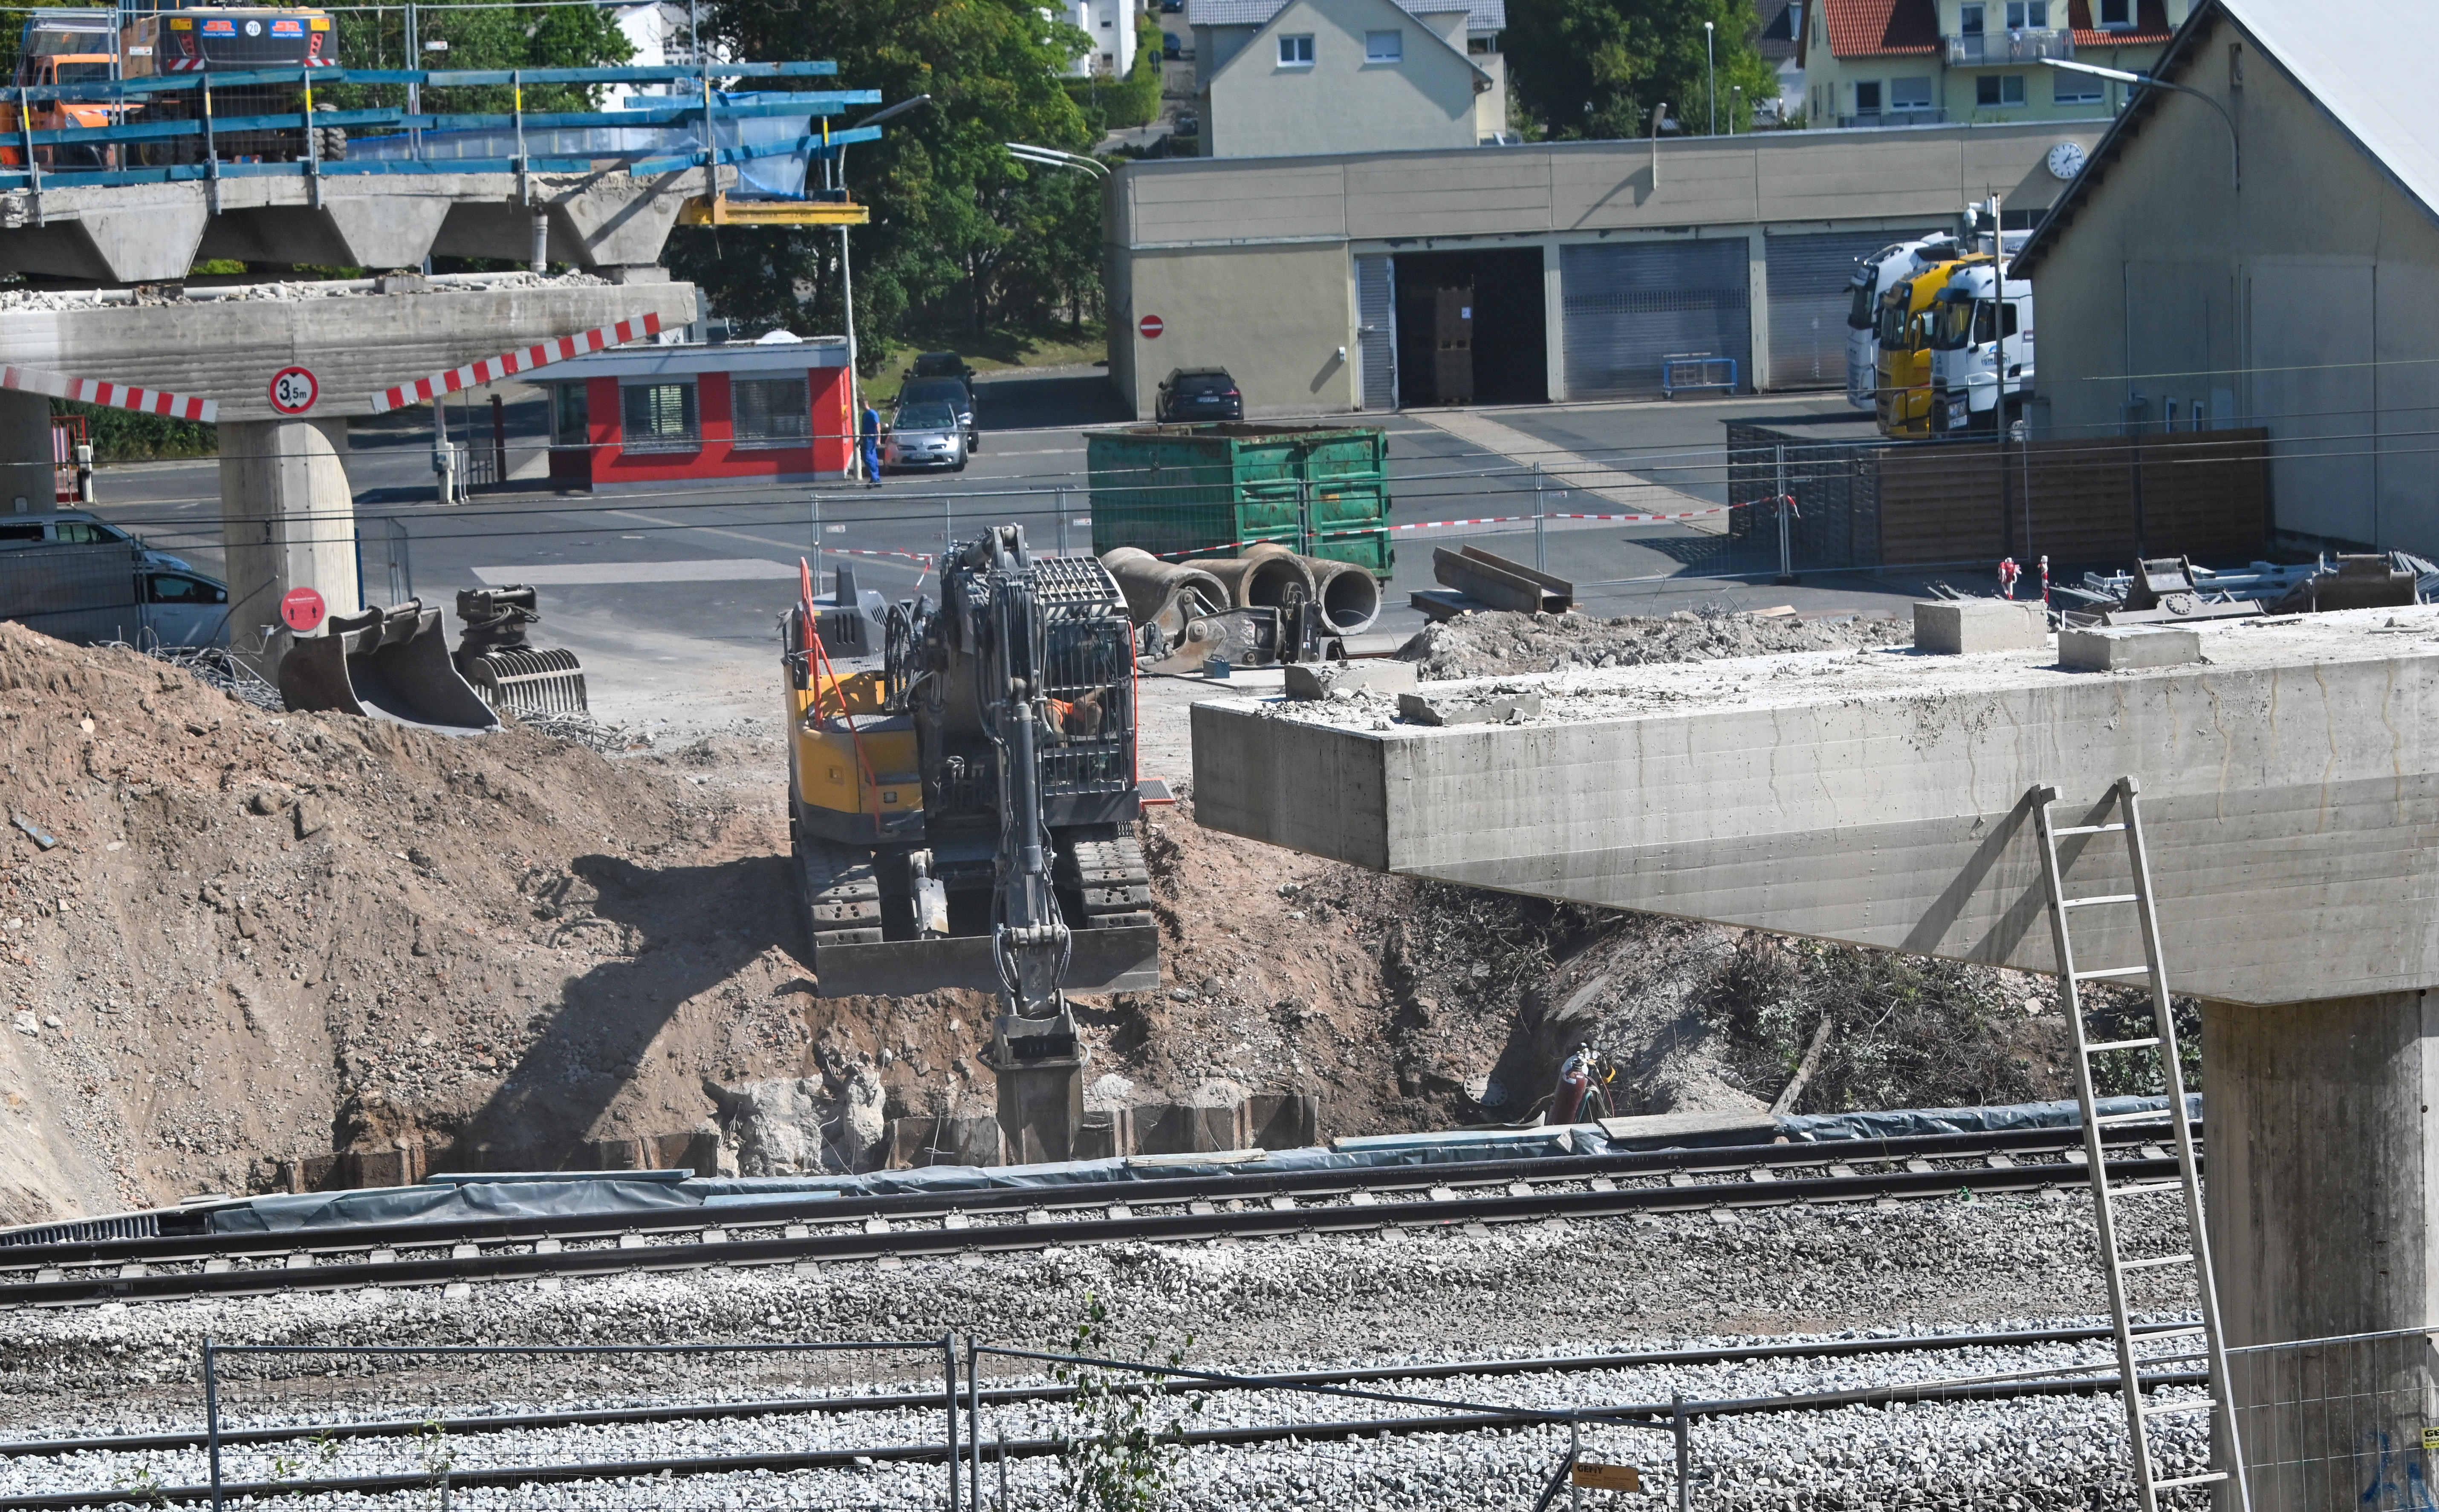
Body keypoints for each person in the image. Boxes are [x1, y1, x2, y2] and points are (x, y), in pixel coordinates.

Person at [858, 402, 883, 487]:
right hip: (866, 439)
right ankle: (875, 479)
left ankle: (876, 478)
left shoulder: (873, 414)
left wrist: (879, 439)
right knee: (871, 459)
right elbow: (864, 428)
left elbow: (878, 426)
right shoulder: (865, 415)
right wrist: (860, 439)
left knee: (868, 458)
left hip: (872, 439)